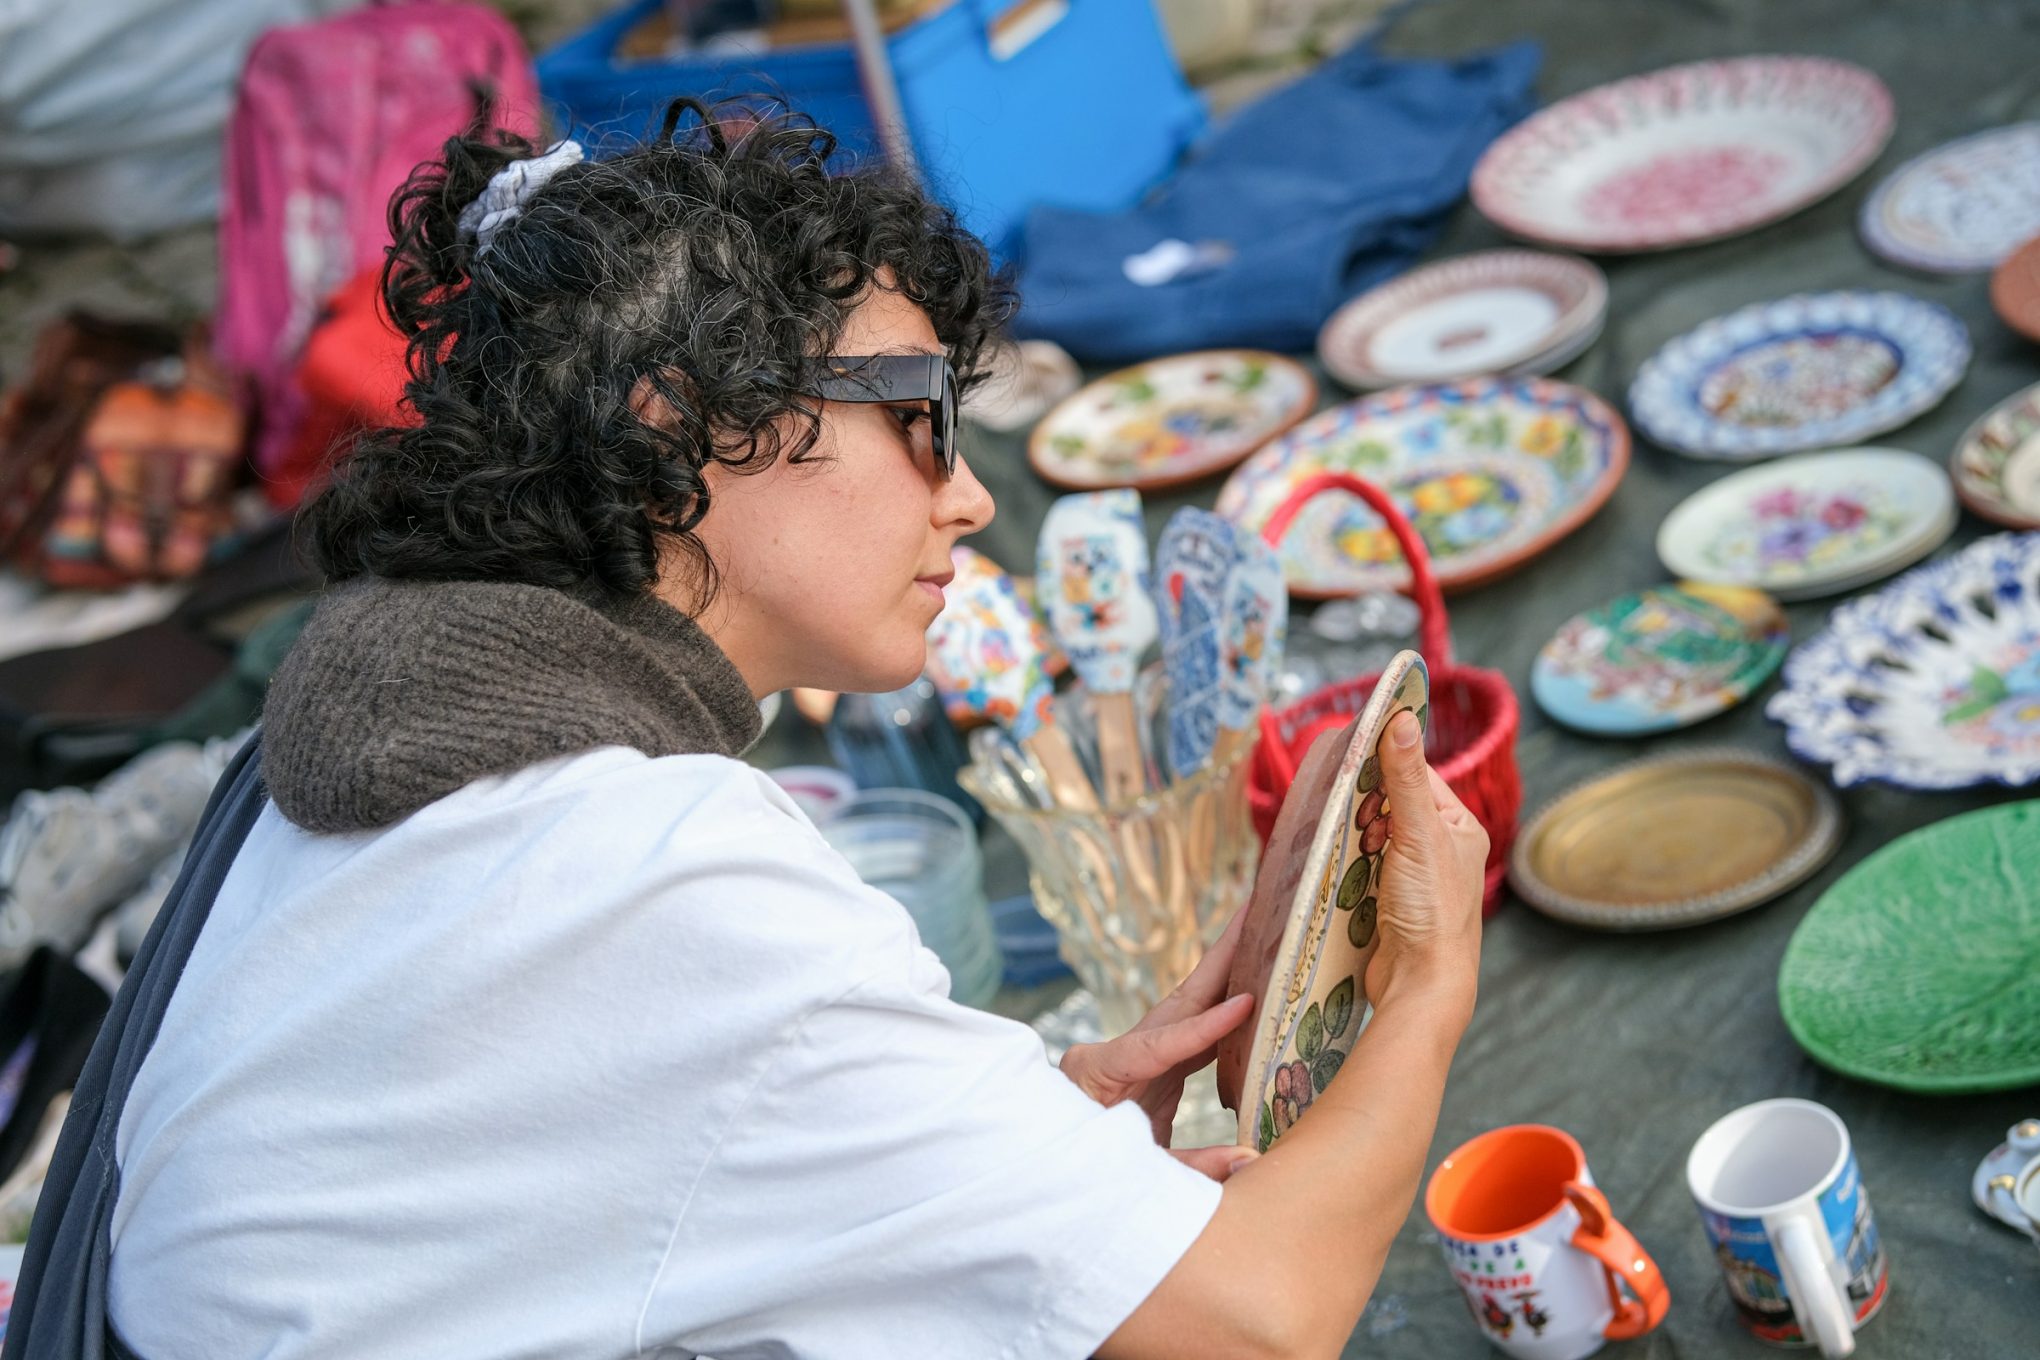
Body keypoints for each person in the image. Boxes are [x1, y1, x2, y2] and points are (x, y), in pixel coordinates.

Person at [29, 102, 1487, 1359]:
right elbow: (1258, 1318)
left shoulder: (379, 738)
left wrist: (993, 1129)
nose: (967, 497)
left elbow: (527, 1173)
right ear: (677, 423)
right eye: (922, 413)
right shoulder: (651, 869)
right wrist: (1424, 985)